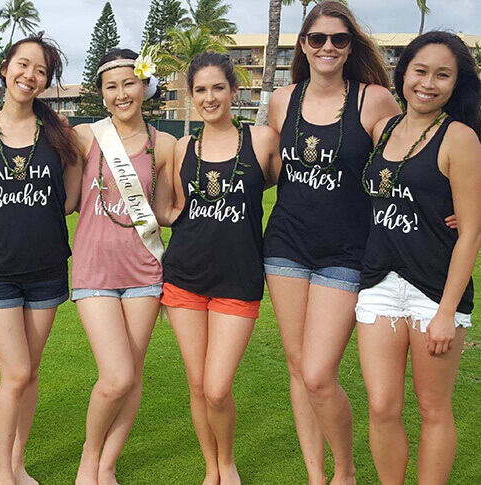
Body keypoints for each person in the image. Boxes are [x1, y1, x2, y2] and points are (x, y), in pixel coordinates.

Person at [263, 2, 402, 483]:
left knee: (320, 373)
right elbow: (270, 168)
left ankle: (344, 471)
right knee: (299, 366)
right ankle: (315, 475)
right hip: (285, 244)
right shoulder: (283, 100)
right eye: (317, 38)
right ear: (303, 44)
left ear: (350, 46)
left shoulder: (375, 100)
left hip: (346, 251)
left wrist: (446, 204)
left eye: (338, 39)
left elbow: (402, 165)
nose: (327, 47)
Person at [356, 31, 481, 484]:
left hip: (435, 291)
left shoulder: (460, 137)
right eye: (420, 70)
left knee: (432, 408)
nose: (428, 83)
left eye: (442, 74)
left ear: (455, 83)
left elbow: (470, 233)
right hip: (378, 286)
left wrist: (447, 312)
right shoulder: (384, 129)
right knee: (382, 405)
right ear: (403, 72)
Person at [0, 34, 82, 485]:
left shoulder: (59, 131)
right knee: (14, 373)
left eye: (41, 71)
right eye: (23, 65)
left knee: (30, 373)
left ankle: (18, 464)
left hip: (48, 267)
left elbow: (69, 200)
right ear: (5, 67)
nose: (29, 76)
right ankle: (0, 473)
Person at [161, 52, 278, 485]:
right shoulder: (181, 148)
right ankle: (211, 470)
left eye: (217, 88)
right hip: (184, 277)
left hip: (238, 279)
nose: (210, 97)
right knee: (196, 385)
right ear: (190, 96)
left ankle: (227, 461)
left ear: (233, 90)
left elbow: (301, 188)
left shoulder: (262, 140)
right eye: (200, 90)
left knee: (216, 387)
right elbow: (173, 207)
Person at [71, 47, 176, 485]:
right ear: (101, 93)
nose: (121, 93)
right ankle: (88, 459)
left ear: (144, 86)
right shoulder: (84, 136)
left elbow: (169, 209)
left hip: (144, 273)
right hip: (93, 271)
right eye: (111, 86)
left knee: (132, 377)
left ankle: (108, 467)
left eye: (129, 83)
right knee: (114, 377)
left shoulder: (165, 144)